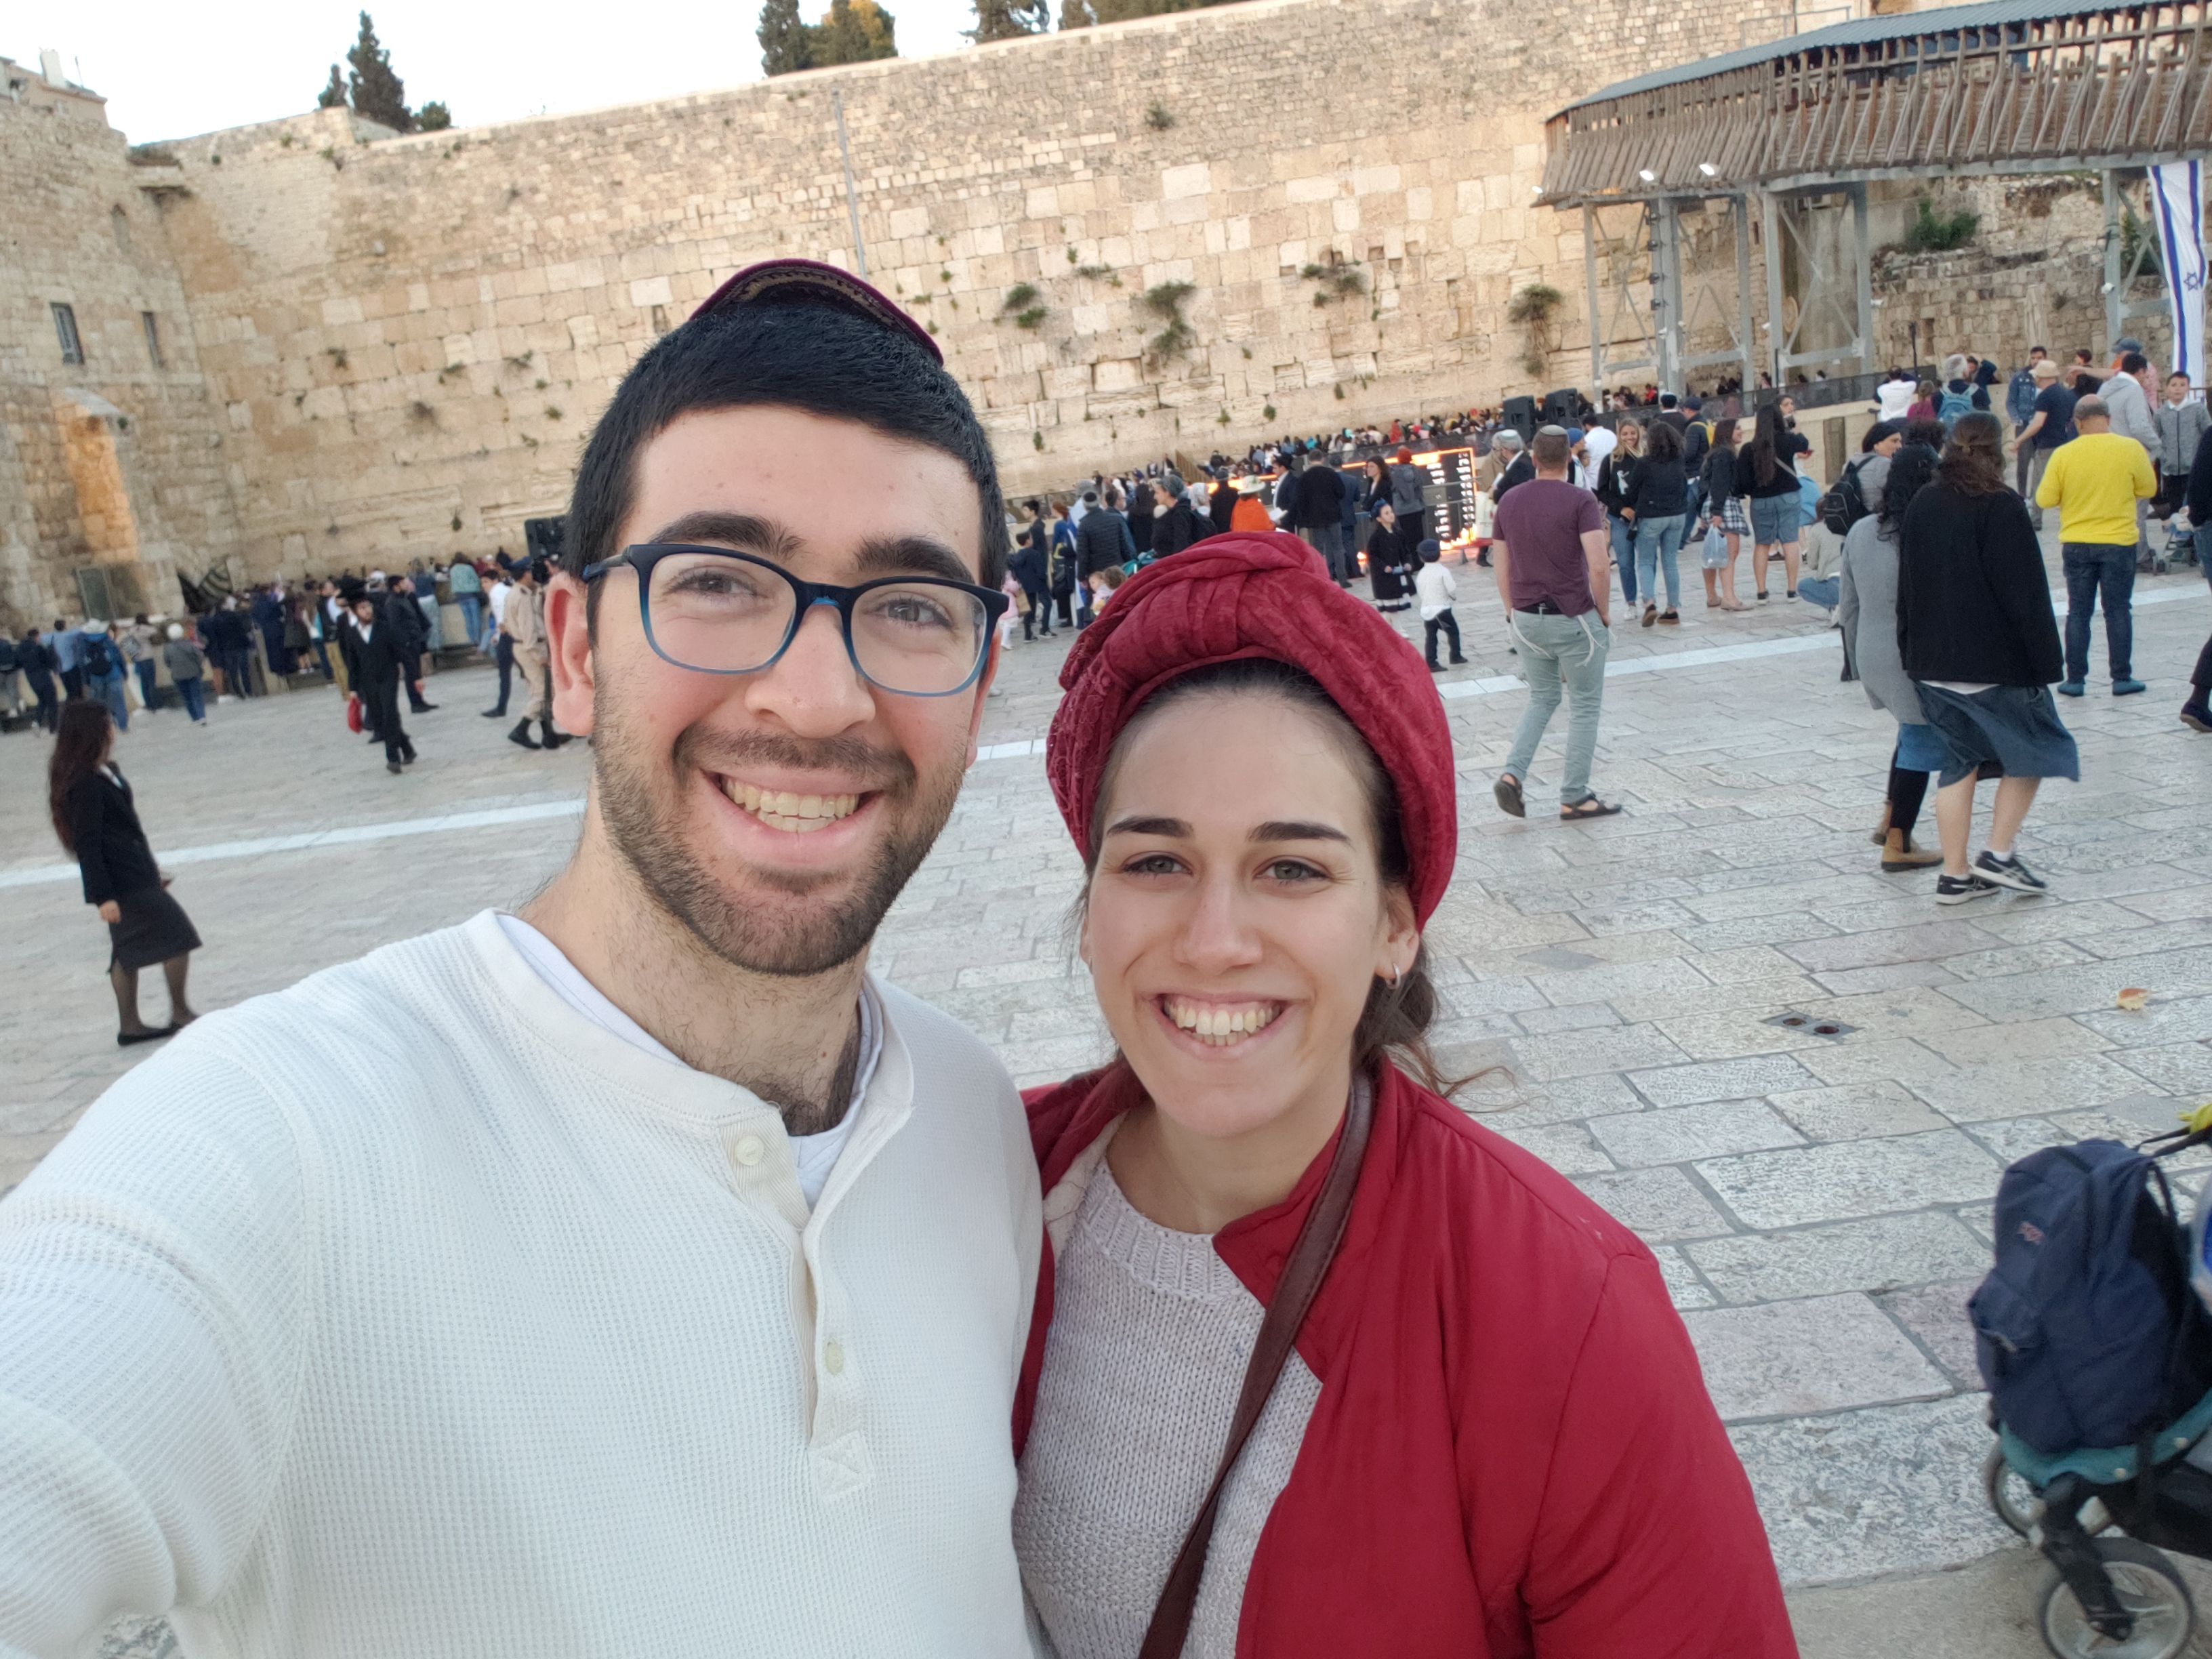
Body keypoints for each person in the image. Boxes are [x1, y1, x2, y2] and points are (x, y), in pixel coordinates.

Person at [0, 258, 1043, 1658]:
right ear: (573, 649)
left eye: (910, 604)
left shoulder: (971, 1114)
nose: (815, 696)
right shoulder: (282, 1148)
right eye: (718, 582)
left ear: (979, 678)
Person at [1015, 534, 1793, 1655]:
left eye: (1292, 867)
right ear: (1090, 907)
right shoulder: (977, 1193)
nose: (1215, 938)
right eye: (1154, 862)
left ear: (1393, 925)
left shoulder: (1558, 1315)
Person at [1900, 413, 2075, 903]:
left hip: (1933, 663)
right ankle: (1998, 853)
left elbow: (1907, 584)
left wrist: (1909, 649)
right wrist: (2046, 663)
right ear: (1997, 451)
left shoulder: (1923, 501)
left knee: (1959, 764)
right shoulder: (2000, 505)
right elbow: (2025, 595)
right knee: (2034, 747)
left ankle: (1955, 876)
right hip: (1993, 662)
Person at [47, 698, 201, 1046]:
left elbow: (126, 828)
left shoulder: (104, 771)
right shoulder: (85, 783)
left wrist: (151, 866)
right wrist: (102, 896)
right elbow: (88, 843)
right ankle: (179, 1012)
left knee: (126, 948)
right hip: (121, 880)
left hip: (136, 870)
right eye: (108, 723)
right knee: (177, 935)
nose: (113, 729)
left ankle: (131, 1025)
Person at [1489, 427, 1620, 819]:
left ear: (1533, 459)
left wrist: (1511, 612)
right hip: (1571, 615)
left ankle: (1512, 774)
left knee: (1543, 697)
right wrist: (1603, 612)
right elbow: (1599, 565)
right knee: (1584, 705)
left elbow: (1501, 564)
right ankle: (1574, 794)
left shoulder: (1509, 500)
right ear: (1568, 459)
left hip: (1526, 618)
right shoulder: (1580, 499)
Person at [1839, 443, 1946, 872]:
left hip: (1871, 648)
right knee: (1920, 739)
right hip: (1912, 650)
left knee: (1909, 730)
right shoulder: (1929, 530)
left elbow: (1848, 604)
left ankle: (1890, 818)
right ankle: (1899, 842)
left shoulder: (1861, 530)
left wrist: (1853, 659)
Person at [2034, 394, 2154, 697]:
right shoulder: (2130, 448)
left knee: (2078, 611)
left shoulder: (2063, 455)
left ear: (2078, 422)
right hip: (2118, 541)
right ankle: (2121, 677)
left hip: (2077, 542)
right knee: (2118, 610)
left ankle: (2075, 679)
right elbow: (2148, 488)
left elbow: (2044, 499)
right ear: (2109, 419)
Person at [1622, 416, 1687, 626]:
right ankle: (1673, 609)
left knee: (1645, 561)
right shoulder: (1679, 460)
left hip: (1652, 516)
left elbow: (1632, 491)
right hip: (1677, 515)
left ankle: (1650, 603)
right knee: (1670, 561)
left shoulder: (1644, 463)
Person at [344, 591, 417, 774]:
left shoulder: (385, 628)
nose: (367, 611)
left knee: (390, 714)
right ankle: (407, 748)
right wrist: (353, 688)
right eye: (362, 608)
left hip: (388, 677)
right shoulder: (352, 634)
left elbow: (402, 654)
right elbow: (353, 663)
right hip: (368, 682)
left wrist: (416, 676)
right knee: (380, 719)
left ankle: (393, 758)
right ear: (355, 612)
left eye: (368, 606)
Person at [1743, 402, 1806, 600]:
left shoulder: (1749, 449)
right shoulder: (1788, 440)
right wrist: (1794, 427)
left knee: (1762, 544)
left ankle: (1761, 591)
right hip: (1788, 496)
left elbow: (1743, 480)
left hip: (1761, 499)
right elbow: (1803, 444)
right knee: (1790, 541)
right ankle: (1792, 590)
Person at [504, 558, 567, 750]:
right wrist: (538, 654)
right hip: (530, 647)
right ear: (526, 574)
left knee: (541, 689)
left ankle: (549, 735)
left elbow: (508, 623)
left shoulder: (514, 593)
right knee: (543, 692)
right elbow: (528, 629)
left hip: (521, 646)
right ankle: (521, 729)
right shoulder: (522, 597)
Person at [2020, 356, 2078, 529]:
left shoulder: (2044, 396)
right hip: (2064, 443)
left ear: (2040, 377)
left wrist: (2019, 440)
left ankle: (2036, 519)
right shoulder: (2065, 394)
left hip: (2047, 445)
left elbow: (2037, 423)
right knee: (2066, 483)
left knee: (2039, 483)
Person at [1593, 417, 1641, 607]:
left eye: (1633, 433)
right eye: (1625, 434)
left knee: (1647, 561)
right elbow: (1602, 490)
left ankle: (1649, 600)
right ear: (1619, 436)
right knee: (1625, 563)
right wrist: (1621, 508)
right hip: (1619, 518)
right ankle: (1631, 602)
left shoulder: (1645, 457)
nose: (1629, 437)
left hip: (1643, 517)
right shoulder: (1611, 459)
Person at [2154, 371, 2207, 521]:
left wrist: (2201, 458)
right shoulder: (2160, 413)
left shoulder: (2198, 409)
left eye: (2182, 385)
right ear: (2167, 388)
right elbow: (2154, 437)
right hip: (2170, 469)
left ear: (2188, 388)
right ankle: (2176, 531)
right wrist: (2163, 456)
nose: (2178, 388)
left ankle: (2192, 532)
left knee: (2192, 504)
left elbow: (2207, 433)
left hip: (2193, 467)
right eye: (2174, 385)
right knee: (2174, 504)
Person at [1290, 453, 1349, 583]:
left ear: (1310, 460)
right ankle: (1343, 578)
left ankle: (1321, 578)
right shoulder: (1331, 474)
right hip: (1333, 516)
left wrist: (1306, 517)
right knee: (1338, 547)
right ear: (1322, 459)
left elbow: (1300, 500)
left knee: (1318, 549)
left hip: (1315, 519)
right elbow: (1341, 493)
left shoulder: (1305, 477)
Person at [384, 574, 437, 713]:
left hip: (414, 640)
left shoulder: (403, 599)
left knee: (416, 672)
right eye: (403, 583)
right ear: (396, 586)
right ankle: (415, 703)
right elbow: (394, 625)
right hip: (407, 643)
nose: (406, 585)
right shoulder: (392, 603)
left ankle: (420, 700)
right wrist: (405, 641)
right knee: (411, 673)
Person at [1415, 536, 1463, 670]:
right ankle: (1455, 656)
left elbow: (1420, 591)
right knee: (1453, 632)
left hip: (1427, 610)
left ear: (1421, 557)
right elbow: (1451, 588)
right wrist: (1453, 596)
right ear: (1439, 554)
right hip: (1442, 610)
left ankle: (1431, 662)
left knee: (1431, 636)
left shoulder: (1422, 573)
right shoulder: (1443, 571)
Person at [2007, 348, 2048, 493]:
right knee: (2023, 462)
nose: (2036, 361)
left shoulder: (2049, 377)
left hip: (2043, 426)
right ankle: (2022, 494)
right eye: (2033, 358)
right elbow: (2011, 401)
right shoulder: (2019, 377)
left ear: (2045, 359)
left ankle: (2039, 493)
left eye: (2039, 358)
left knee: (2043, 461)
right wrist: (2017, 420)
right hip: (2024, 424)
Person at [1011, 500, 1053, 638]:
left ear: (1032, 511)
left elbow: (1041, 551)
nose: (1023, 513)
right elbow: (1040, 553)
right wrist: (1042, 573)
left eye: (1025, 510)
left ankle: (1030, 633)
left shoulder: (1036, 528)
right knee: (1044, 603)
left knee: (1032, 604)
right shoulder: (1035, 528)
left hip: (1032, 574)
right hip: (1037, 574)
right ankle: (1043, 629)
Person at [1364, 500, 1416, 612]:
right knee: (1390, 609)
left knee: (1397, 606)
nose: (1391, 515)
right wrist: (1383, 566)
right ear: (1379, 518)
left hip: (1399, 575)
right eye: (1386, 513)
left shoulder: (1399, 533)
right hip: (1385, 579)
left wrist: (1408, 563)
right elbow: (1372, 556)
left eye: (1391, 512)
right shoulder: (1376, 537)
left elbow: (1406, 552)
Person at [80, 621, 129, 732]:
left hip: (95, 677)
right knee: (118, 700)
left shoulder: (83, 643)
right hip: (114, 674)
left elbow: (82, 664)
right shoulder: (107, 640)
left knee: (100, 702)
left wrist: (86, 681)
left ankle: (105, 727)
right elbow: (118, 656)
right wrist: (124, 672)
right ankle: (123, 725)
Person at [162, 621, 209, 724]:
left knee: (187, 697)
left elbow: (167, 662)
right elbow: (199, 657)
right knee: (197, 695)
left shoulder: (168, 648)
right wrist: (198, 666)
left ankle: (194, 718)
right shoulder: (189, 644)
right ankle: (202, 716)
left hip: (178, 675)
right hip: (193, 672)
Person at [19, 625, 60, 732]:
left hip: (32, 679)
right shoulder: (39, 647)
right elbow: (48, 661)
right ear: (37, 636)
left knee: (42, 700)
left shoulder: (20, 648)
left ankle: (37, 722)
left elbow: (17, 663)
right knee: (52, 701)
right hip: (44, 677)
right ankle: (53, 727)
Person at [447, 554, 486, 647]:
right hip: (471, 595)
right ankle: (478, 639)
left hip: (460, 596)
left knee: (468, 619)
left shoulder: (452, 570)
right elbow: (476, 580)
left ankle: (471, 640)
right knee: (476, 618)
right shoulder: (468, 568)